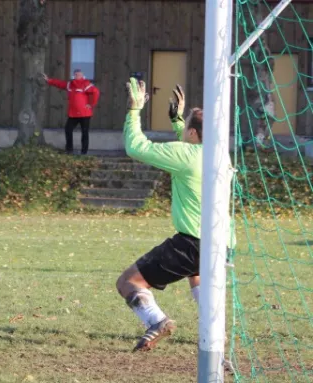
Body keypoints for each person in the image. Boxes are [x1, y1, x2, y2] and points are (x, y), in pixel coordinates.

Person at [116, 78, 234, 352]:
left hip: (193, 242)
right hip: (223, 242)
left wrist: (134, 110)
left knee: (127, 282)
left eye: (186, 129)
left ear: (192, 134)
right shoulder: (220, 156)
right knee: (198, 276)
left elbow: (136, 147)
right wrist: (179, 120)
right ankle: (216, 332)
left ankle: (157, 321)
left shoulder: (186, 154)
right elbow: (194, 141)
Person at [42, 69, 100, 155]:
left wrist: (91, 104)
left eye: (79, 74)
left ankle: (84, 152)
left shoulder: (86, 84)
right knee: (68, 129)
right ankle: (69, 149)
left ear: (82, 75)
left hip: (85, 114)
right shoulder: (70, 84)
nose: (77, 76)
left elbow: (96, 92)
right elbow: (60, 84)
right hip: (73, 114)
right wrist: (49, 80)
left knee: (84, 133)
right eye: (76, 74)